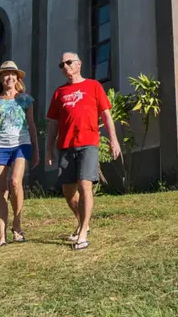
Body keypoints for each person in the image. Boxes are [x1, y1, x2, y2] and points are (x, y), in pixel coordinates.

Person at [46, 51, 121, 251]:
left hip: (88, 142)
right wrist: (48, 149)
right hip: (65, 145)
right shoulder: (59, 93)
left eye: (69, 62)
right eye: (62, 65)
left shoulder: (93, 86)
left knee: (84, 184)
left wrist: (114, 140)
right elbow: (53, 124)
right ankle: (82, 223)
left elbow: (106, 114)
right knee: (68, 192)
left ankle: (83, 232)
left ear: (79, 64)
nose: (66, 67)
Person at [0, 60, 40, 247]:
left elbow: (32, 125)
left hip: (21, 143)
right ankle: (2, 236)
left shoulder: (25, 99)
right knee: (1, 190)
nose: (10, 77)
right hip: (0, 146)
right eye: (6, 74)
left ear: (17, 78)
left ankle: (17, 225)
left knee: (15, 182)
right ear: (1, 78)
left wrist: (36, 149)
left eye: (13, 74)